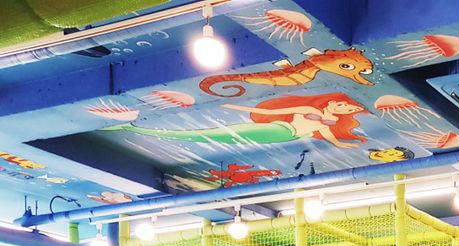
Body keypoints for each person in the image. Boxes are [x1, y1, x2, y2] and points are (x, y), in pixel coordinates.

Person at [107, 93, 369, 149]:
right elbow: (272, 112)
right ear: (333, 101)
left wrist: (344, 144)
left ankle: (137, 128)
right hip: (279, 128)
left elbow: (330, 137)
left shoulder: (326, 123)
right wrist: (235, 105)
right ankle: (136, 128)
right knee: (218, 133)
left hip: (283, 135)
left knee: (220, 135)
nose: (344, 108)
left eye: (349, 108)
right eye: (345, 104)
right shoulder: (308, 108)